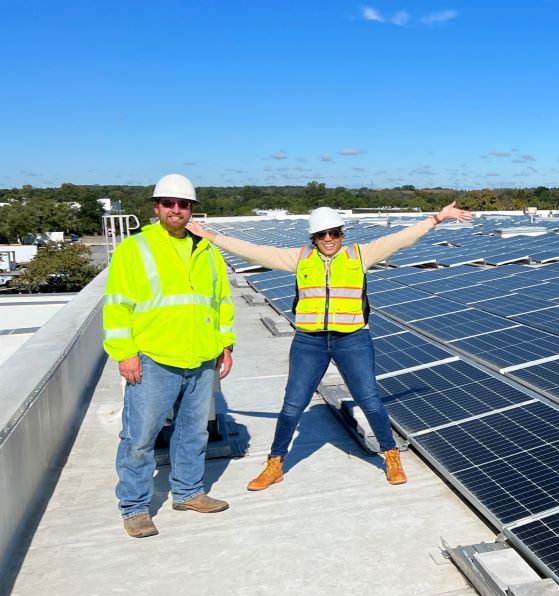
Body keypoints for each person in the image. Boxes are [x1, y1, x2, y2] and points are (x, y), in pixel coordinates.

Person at [186, 202, 473, 489]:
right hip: (309, 342)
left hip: (352, 340)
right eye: (322, 234)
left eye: (334, 233)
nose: (328, 239)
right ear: (313, 237)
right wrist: (209, 235)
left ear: (341, 234)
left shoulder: (359, 255)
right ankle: (275, 463)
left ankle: (391, 456)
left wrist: (437, 218)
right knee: (292, 404)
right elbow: (253, 251)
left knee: (370, 400)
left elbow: (401, 239)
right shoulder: (300, 258)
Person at [103, 174, 236, 538]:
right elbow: (117, 304)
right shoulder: (135, 249)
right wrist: (125, 352)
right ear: (156, 207)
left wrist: (225, 344)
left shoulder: (208, 251)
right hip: (154, 358)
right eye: (168, 203)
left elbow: (221, 302)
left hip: (201, 356)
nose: (176, 209)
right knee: (140, 437)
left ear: (192, 208)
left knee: (193, 432)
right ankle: (134, 508)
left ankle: (189, 492)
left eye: (183, 204)